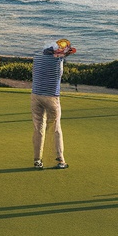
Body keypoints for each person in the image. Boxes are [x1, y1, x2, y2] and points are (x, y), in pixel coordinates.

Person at [31, 38, 76, 170]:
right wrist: (64, 50)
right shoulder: (57, 61)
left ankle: (37, 160)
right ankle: (60, 159)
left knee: (38, 128)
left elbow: (63, 53)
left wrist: (59, 50)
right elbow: (71, 51)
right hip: (51, 98)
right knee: (56, 128)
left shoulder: (37, 58)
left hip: (35, 96)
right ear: (55, 53)